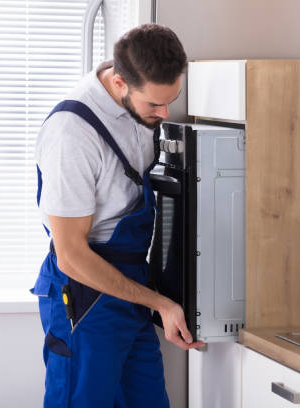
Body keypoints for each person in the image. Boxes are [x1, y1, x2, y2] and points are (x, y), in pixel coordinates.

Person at [31, 24, 204, 407]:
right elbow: (71, 255)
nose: (165, 113)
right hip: (84, 295)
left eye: (170, 100)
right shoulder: (72, 133)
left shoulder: (141, 99)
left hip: (132, 289)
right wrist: (160, 303)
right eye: (154, 105)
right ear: (121, 83)